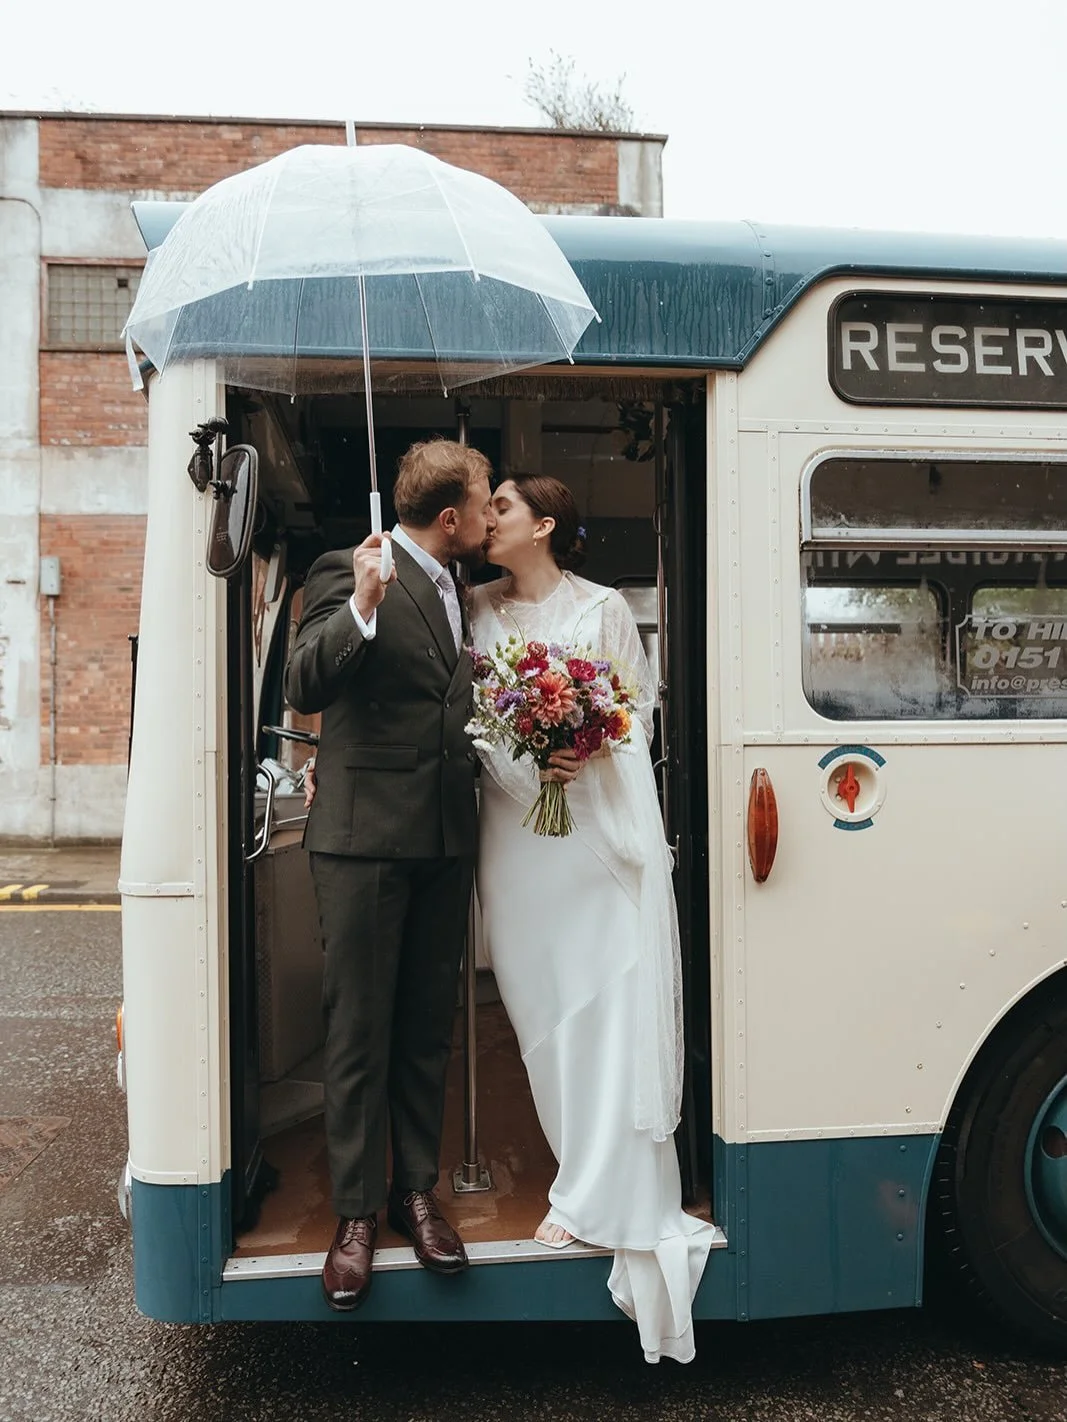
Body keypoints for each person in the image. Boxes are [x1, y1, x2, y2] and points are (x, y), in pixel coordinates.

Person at [469, 476, 714, 1364]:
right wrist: (525, 764)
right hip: (517, 835)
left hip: (589, 835)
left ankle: (597, 1192)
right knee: (539, 1011)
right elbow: (473, 719)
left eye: (499, 507)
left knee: (601, 1002)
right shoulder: (475, 609)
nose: (487, 519)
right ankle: (577, 1162)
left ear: (543, 526)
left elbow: (630, 710)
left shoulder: (603, 607)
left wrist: (577, 746)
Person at [284, 438, 496, 1312]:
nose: (489, 514)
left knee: (423, 1029)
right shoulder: (351, 567)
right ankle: (355, 1216)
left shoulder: (461, 592)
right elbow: (304, 677)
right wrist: (361, 610)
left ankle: (417, 1191)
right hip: (364, 843)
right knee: (359, 1033)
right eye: (484, 502)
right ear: (450, 516)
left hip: (446, 839)